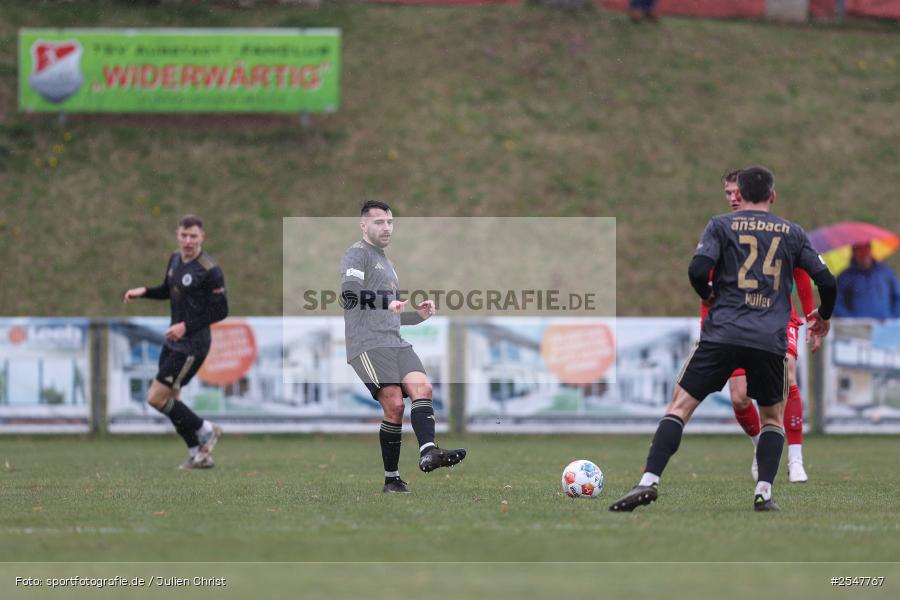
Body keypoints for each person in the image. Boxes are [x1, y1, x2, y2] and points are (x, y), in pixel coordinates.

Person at [609, 166, 835, 513]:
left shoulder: (720, 225)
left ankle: (649, 481)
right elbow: (827, 281)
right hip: (767, 337)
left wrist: (711, 294)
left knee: (679, 407)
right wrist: (823, 316)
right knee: (772, 418)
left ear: (739, 195)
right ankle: (763, 493)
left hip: (723, 331)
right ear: (772, 196)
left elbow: (697, 270)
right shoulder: (791, 232)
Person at [341, 200, 466, 494]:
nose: (386, 228)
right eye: (378, 222)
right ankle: (392, 479)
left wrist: (416, 316)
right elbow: (350, 295)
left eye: (389, 222)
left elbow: (390, 313)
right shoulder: (356, 255)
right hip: (367, 345)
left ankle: (428, 451)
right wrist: (387, 301)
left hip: (394, 342)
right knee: (395, 405)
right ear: (364, 226)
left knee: (422, 388)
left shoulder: (387, 263)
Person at [716, 170, 819, 484]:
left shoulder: (778, 230)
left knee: (787, 374)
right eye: (728, 193)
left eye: (738, 192)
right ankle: (761, 448)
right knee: (739, 396)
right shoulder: (721, 231)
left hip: (776, 315)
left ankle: (796, 459)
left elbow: (802, 271)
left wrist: (809, 314)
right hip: (736, 320)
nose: (733, 198)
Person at [124, 214, 226, 470]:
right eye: (184, 235)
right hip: (174, 341)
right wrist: (144, 292)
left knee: (155, 398)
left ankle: (206, 429)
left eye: (193, 236)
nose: (188, 241)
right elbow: (168, 289)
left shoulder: (209, 270)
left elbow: (221, 310)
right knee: (172, 401)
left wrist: (186, 326)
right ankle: (198, 454)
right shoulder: (175, 259)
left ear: (202, 237)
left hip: (193, 344)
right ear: (177, 235)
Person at [834, 243, 900, 319]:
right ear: (853, 253)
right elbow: (837, 304)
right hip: (858, 328)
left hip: (886, 326)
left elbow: (897, 297)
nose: (863, 253)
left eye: (866, 249)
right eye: (860, 251)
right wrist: (851, 321)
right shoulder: (845, 277)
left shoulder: (886, 272)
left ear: (870, 250)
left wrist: (893, 318)